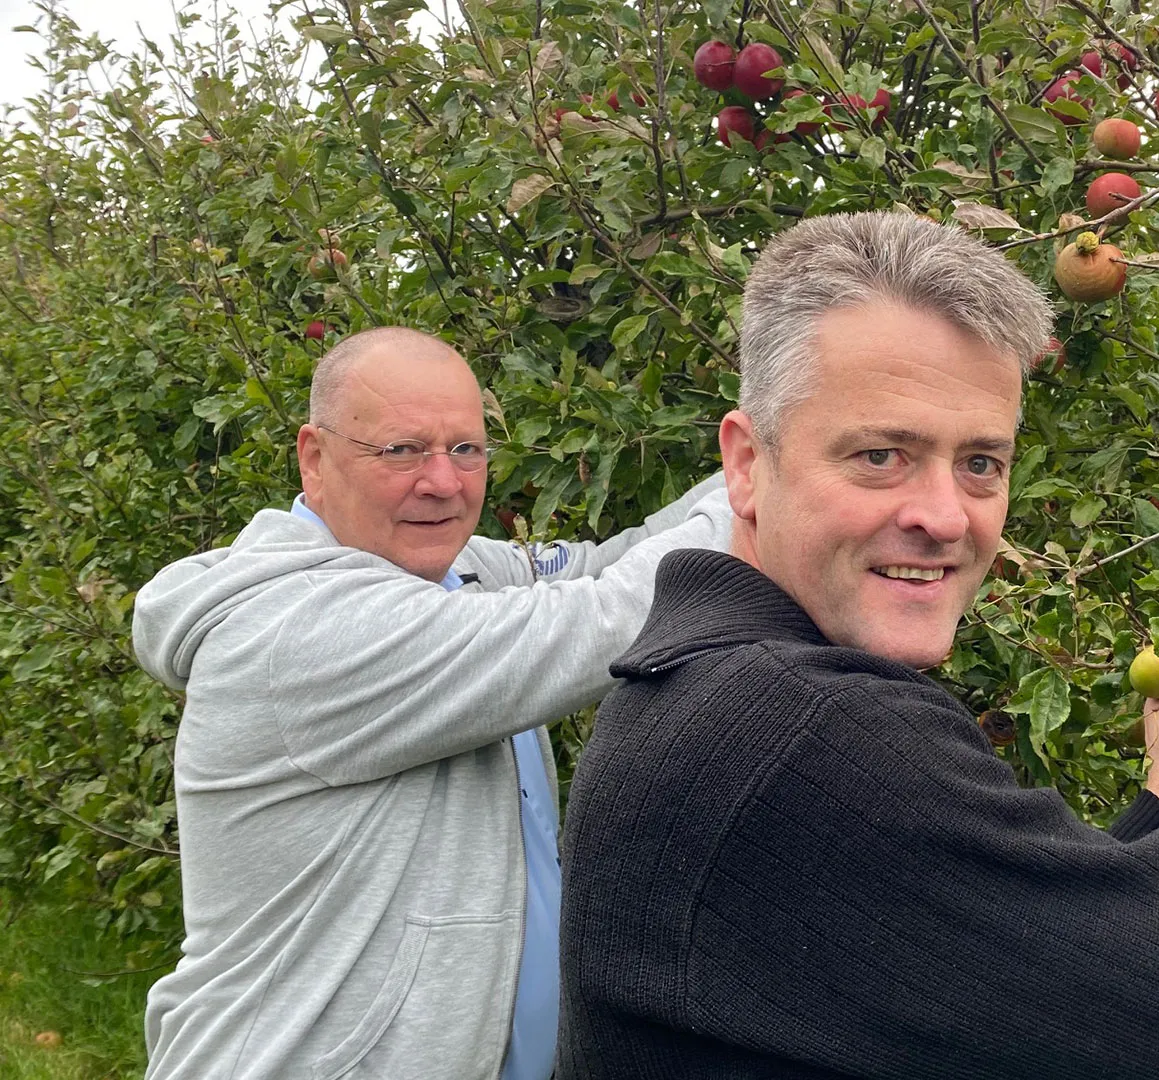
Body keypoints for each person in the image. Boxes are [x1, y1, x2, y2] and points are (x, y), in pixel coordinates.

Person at [556, 212, 1159, 1080]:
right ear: (746, 465)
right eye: (882, 454)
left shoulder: (709, 685)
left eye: (980, 463)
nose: (943, 516)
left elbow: (1019, 976)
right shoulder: (811, 728)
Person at [131, 327, 732, 1080]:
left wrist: (764, 454)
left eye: (467, 450)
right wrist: (799, 474)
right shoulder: (301, 632)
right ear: (314, 461)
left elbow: (607, 566)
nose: (444, 483)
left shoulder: (458, 573)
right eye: (402, 450)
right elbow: (604, 616)